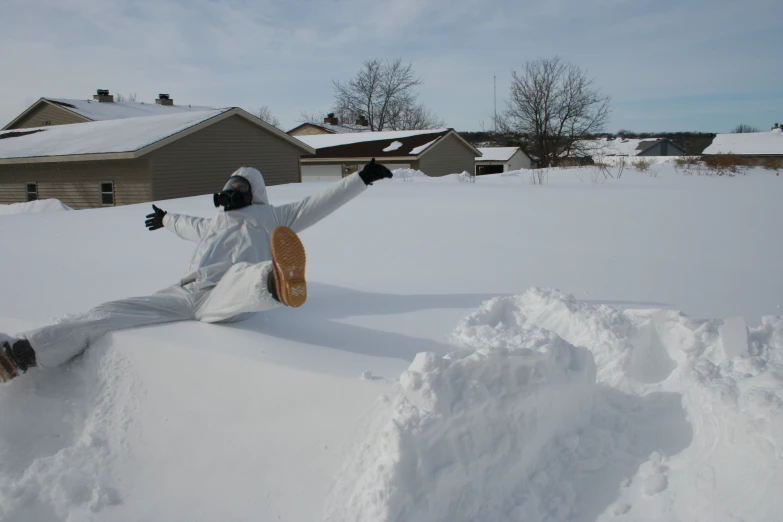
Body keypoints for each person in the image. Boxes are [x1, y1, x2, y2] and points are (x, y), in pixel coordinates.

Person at [0, 159, 393, 382]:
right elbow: (190, 225)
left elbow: (320, 202)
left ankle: (275, 281)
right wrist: (167, 218)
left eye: (240, 186)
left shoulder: (275, 217)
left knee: (244, 279)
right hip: (185, 293)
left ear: (253, 191)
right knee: (108, 312)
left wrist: (360, 178)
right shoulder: (217, 223)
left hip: (226, 292)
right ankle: (23, 351)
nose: (233, 191)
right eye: (230, 185)